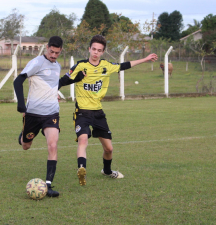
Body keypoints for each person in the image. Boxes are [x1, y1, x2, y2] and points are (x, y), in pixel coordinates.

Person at [59, 35, 158, 186]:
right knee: (83, 139)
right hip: (82, 112)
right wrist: (75, 79)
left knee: (109, 149)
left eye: (99, 50)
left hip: (98, 113)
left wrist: (145, 59)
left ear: (103, 52)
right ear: (89, 49)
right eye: (93, 49)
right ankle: (81, 169)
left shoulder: (106, 65)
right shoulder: (80, 66)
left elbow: (125, 65)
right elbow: (61, 81)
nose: (95, 53)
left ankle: (106, 171)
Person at [13, 36, 84, 197]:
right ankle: (23, 136)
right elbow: (18, 81)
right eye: (51, 52)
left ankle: (48, 185)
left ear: (60, 51)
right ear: (47, 48)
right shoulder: (36, 62)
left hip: (51, 112)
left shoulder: (57, 65)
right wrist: (21, 105)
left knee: (52, 145)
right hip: (32, 113)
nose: (53, 55)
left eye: (57, 52)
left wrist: (76, 78)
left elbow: (55, 84)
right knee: (26, 146)